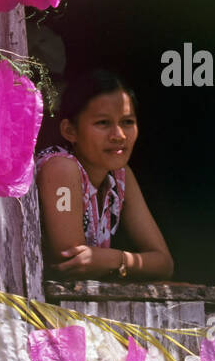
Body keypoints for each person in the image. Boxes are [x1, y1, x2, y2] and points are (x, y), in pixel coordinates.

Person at [35, 70, 174, 281]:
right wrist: (126, 263)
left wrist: (114, 260)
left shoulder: (120, 176)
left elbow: (164, 263)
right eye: (103, 123)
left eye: (127, 122)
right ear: (70, 131)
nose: (119, 136)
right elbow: (72, 262)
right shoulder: (60, 169)